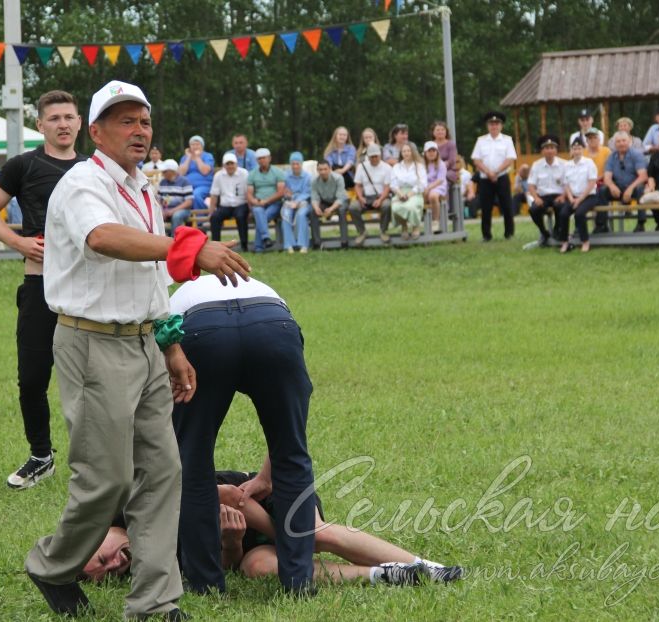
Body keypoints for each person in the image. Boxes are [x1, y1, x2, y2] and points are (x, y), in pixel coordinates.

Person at [24, 79, 249, 619]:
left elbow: (149, 278)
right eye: (125, 121)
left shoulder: (143, 188)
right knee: (107, 480)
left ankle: (155, 603)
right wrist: (189, 248)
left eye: (144, 121)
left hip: (145, 344)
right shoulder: (82, 184)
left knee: (162, 471)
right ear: (95, 132)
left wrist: (170, 345)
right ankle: (52, 565)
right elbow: (102, 238)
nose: (139, 130)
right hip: (91, 341)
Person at [168, 276, 314, 596]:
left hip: (201, 329)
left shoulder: (175, 299)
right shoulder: (260, 286)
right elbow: (292, 433)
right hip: (273, 322)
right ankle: (299, 581)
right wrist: (266, 475)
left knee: (192, 462)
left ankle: (205, 584)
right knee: (291, 453)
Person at [80, 468, 462, 587]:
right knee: (256, 568)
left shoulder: (137, 503)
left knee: (312, 535)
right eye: (108, 573)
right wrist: (232, 542)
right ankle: (385, 575)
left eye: (102, 556)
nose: (115, 563)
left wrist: (284, 537)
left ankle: (429, 567)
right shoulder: (150, 568)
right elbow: (224, 566)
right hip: (246, 537)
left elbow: (229, 495)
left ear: (99, 534)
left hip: (264, 499)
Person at [0, 90, 87, 489]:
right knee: (33, 378)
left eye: (69, 117)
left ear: (79, 123)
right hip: (40, 284)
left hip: (87, 288)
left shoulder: (95, 168)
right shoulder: (22, 165)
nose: (62, 124)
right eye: (54, 118)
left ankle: (96, 461)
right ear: (40, 125)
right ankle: (41, 456)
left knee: (93, 379)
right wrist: (19, 242)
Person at [471, 111, 517, 241]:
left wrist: (495, 172)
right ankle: (486, 235)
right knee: (486, 207)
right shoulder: (481, 141)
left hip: (501, 177)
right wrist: (488, 172)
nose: (494, 126)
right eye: (491, 124)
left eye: (497, 124)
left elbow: (510, 159)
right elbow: (476, 160)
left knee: (507, 205)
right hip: (485, 178)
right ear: (487, 126)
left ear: (501, 126)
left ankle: (509, 233)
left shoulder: (507, 140)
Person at [554, 138, 599, 254]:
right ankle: (565, 242)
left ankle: (585, 242)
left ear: (583, 149)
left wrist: (579, 200)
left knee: (579, 214)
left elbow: (591, 183)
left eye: (579, 148)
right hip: (572, 196)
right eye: (574, 148)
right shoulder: (567, 165)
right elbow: (566, 184)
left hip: (588, 196)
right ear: (571, 150)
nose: (577, 151)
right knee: (563, 214)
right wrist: (570, 198)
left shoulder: (589, 163)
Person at [600, 131, 648, 232]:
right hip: (617, 188)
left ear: (629, 141)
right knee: (603, 190)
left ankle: (641, 224)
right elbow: (607, 177)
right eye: (618, 141)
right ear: (614, 144)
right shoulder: (611, 157)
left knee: (640, 189)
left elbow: (643, 176)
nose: (621, 143)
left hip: (634, 187)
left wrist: (630, 189)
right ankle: (602, 225)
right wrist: (612, 186)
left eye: (624, 141)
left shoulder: (637, 155)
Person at [527, 135, 567, 247]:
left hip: (559, 195)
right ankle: (544, 232)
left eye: (552, 148)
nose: (550, 150)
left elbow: (569, 184)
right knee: (533, 209)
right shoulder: (536, 165)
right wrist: (536, 198)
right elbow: (531, 185)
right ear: (542, 150)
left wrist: (563, 196)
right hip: (543, 196)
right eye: (547, 148)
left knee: (560, 206)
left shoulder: (564, 164)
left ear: (556, 150)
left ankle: (557, 230)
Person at [348, 143, 392, 245]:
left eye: (376, 156)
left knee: (386, 205)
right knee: (353, 207)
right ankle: (362, 232)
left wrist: (380, 200)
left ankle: (383, 231)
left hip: (381, 196)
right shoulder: (361, 167)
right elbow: (357, 185)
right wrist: (360, 197)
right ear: (368, 156)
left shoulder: (387, 167)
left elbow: (387, 188)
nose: (374, 159)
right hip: (365, 196)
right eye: (372, 156)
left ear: (380, 155)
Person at [246, 147, 285, 252]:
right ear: (256, 160)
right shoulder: (252, 174)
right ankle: (266, 239)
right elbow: (249, 193)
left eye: (264, 158)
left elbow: (281, 192)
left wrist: (266, 201)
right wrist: (254, 202)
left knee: (262, 216)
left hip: (275, 203)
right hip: (258, 203)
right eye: (259, 158)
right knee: (259, 211)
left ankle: (259, 246)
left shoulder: (277, 172)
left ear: (269, 158)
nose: (262, 160)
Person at [208, 153, 250, 251]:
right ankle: (217, 246)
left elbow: (248, 191)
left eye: (232, 163)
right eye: (228, 164)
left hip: (241, 204)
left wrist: (250, 208)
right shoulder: (218, 175)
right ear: (224, 165)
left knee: (241, 216)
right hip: (225, 206)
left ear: (236, 164)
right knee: (214, 217)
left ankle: (244, 245)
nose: (230, 166)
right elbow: (214, 194)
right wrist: (211, 211)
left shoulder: (244, 173)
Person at [390, 143, 427, 240]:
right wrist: (400, 194)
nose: (406, 153)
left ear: (413, 152)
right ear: (401, 153)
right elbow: (393, 184)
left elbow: (422, 184)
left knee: (410, 206)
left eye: (408, 151)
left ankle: (415, 226)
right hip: (400, 192)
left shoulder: (419, 166)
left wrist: (409, 195)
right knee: (396, 207)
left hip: (415, 193)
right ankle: (404, 227)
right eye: (404, 151)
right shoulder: (396, 167)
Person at [309, 160, 348, 248]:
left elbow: (340, 199)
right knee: (312, 211)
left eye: (325, 169)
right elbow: (314, 197)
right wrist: (316, 208)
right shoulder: (314, 181)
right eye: (320, 170)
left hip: (340, 201)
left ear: (330, 169)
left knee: (342, 211)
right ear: (317, 170)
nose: (323, 172)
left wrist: (331, 209)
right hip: (325, 201)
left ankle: (344, 241)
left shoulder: (338, 178)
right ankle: (317, 242)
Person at [282, 152, 312, 253]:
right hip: (290, 202)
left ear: (301, 164)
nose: (295, 166)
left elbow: (308, 192)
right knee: (285, 214)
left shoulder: (307, 177)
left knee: (301, 215)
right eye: (293, 164)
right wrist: (287, 195)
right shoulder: (286, 176)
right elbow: (284, 191)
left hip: (304, 202)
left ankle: (303, 244)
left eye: (297, 163)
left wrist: (297, 202)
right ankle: (289, 244)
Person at [583, 128, 611, 233]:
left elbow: (610, 169)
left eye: (594, 137)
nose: (592, 140)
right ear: (587, 141)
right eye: (589, 138)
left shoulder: (606, 151)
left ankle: (601, 224)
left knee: (601, 192)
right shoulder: (583, 153)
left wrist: (596, 179)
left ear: (599, 139)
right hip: (586, 183)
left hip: (603, 181)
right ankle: (580, 227)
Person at [157, 159, 195, 236]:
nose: (162, 173)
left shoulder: (185, 182)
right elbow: (158, 199)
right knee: (156, 214)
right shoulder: (162, 182)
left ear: (172, 171)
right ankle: (159, 239)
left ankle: (174, 240)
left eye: (164, 171)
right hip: (166, 210)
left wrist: (173, 210)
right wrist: (161, 210)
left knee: (176, 216)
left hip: (182, 210)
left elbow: (189, 202)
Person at [179, 135, 214, 208]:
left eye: (197, 144)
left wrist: (197, 157)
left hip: (204, 186)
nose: (195, 146)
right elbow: (181, 173)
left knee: (195, 195)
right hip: (187, 186)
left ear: (202, 146)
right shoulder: (185, 157)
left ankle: (201, 217)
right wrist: (189, 157)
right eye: (192, 144)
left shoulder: (207, 156)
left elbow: (205, 171)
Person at [423, 141, 449, 232]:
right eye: (429, 151)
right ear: (425, 153)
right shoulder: (422, 165)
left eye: (433, 151)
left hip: (438, 187)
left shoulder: (441, 164)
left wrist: (429, 188)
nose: (431, 153)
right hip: (425, 187)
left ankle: (435, 221)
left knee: (433, 196)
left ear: (437, 152)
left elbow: (440, 180)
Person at [429, 121, 459, 185]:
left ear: (446, 132)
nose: (440, 132)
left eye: (442, 130)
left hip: (449, 171)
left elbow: (451, 161)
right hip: (432, 169)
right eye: (438, 130)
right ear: (433, 132)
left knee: (441, 177)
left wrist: (440, 167)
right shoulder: (430, 144)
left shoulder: (451, 144)